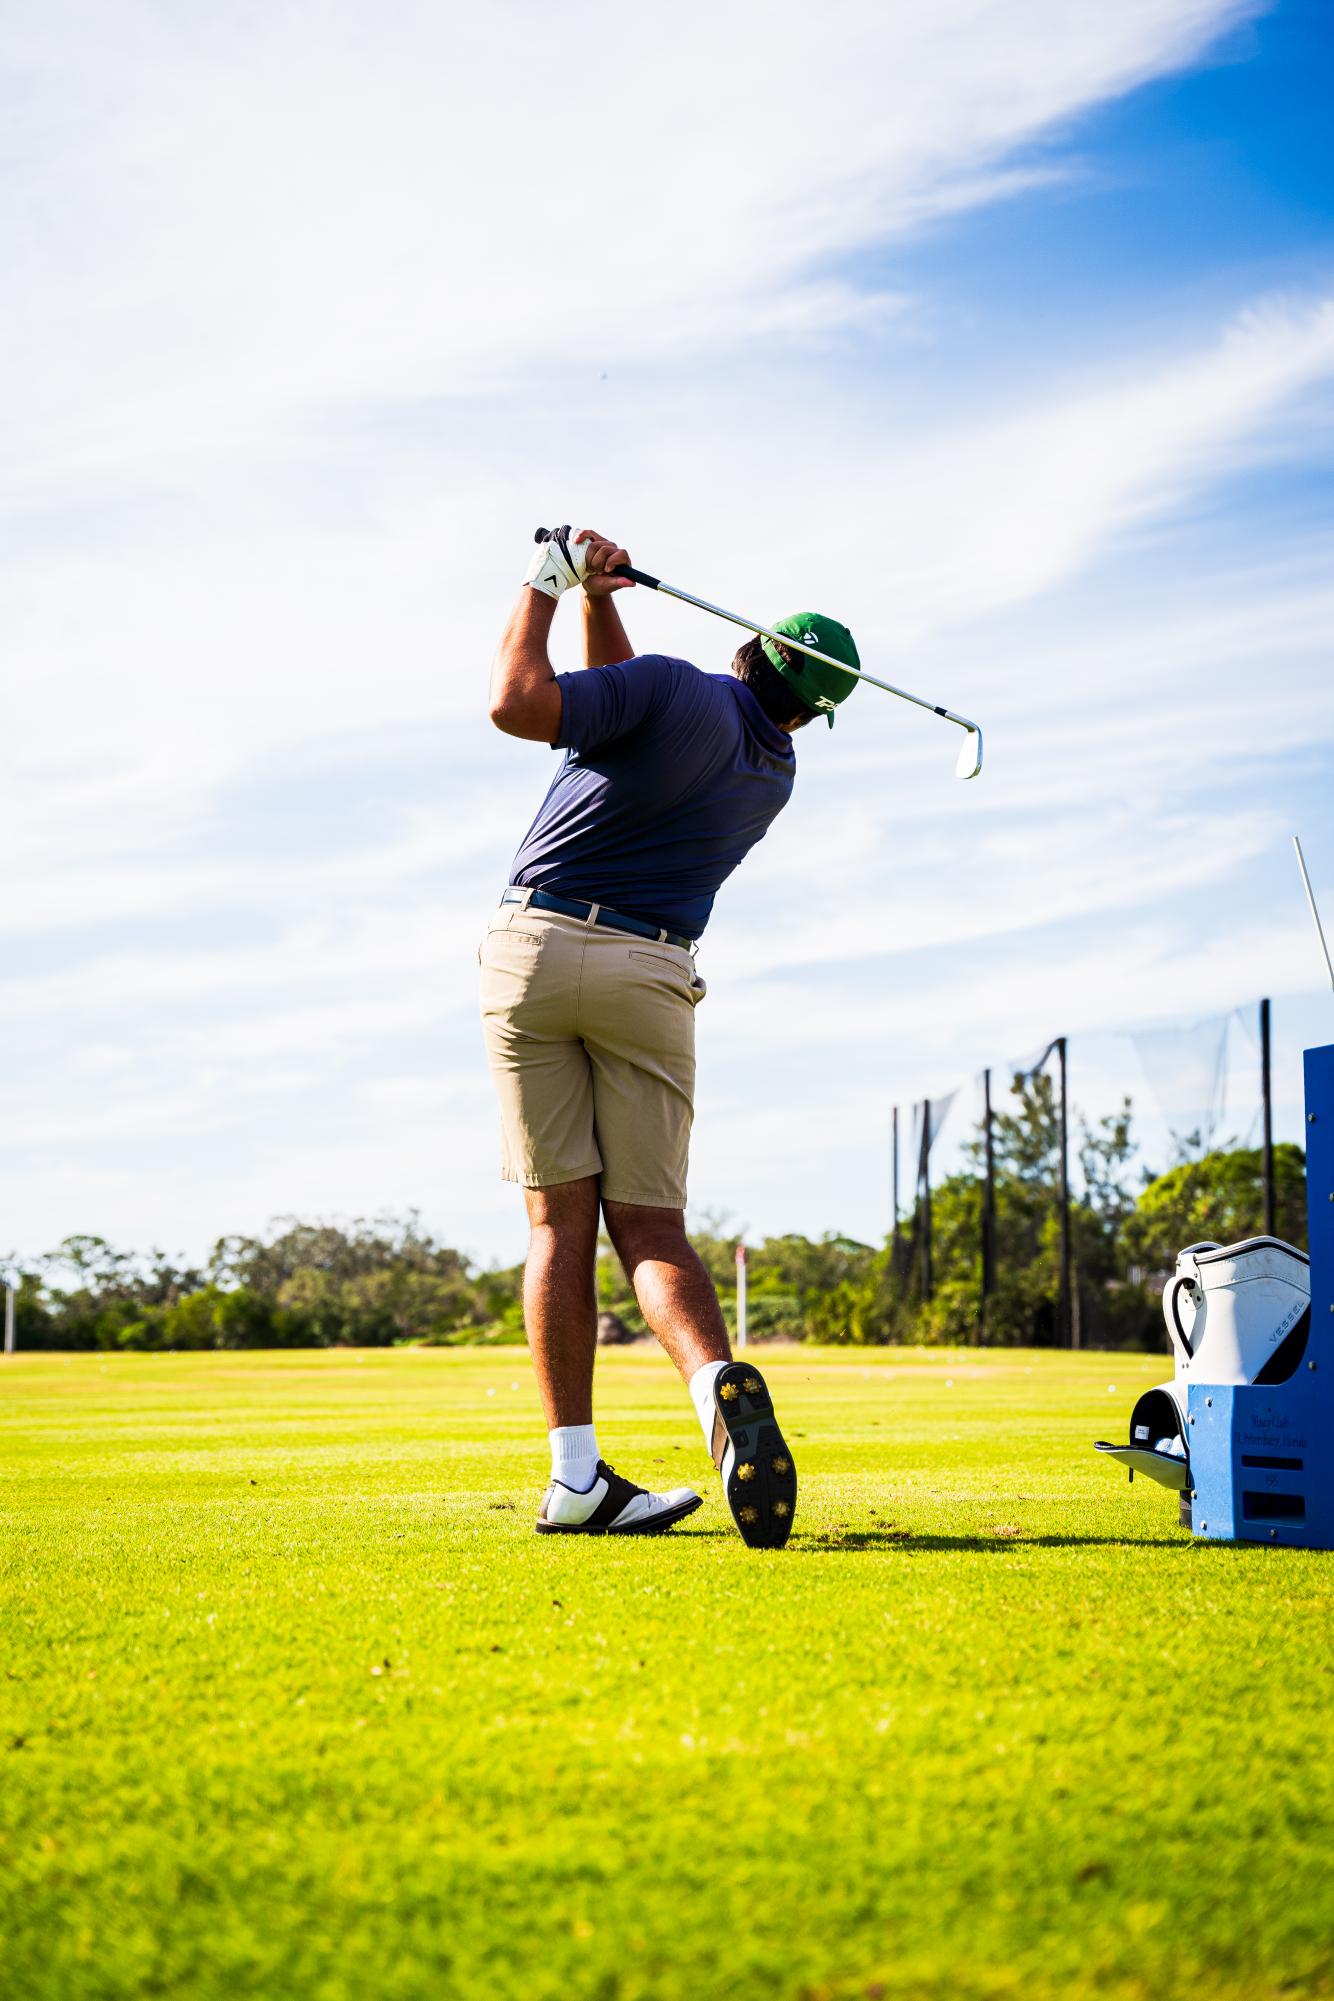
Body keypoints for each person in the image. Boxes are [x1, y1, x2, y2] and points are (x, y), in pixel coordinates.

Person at [481, 525, 860, 1546]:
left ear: (747, 650)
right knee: (649, 1228)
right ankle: (712, 1394)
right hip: (652, 971)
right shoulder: (772, 768)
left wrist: (545, 585)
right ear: (808, 709)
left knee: (556, 1223)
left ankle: (574, 1478)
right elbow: (627, 706)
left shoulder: (669, 685)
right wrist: (604, 600)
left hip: (535, 946)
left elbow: (521, 704)